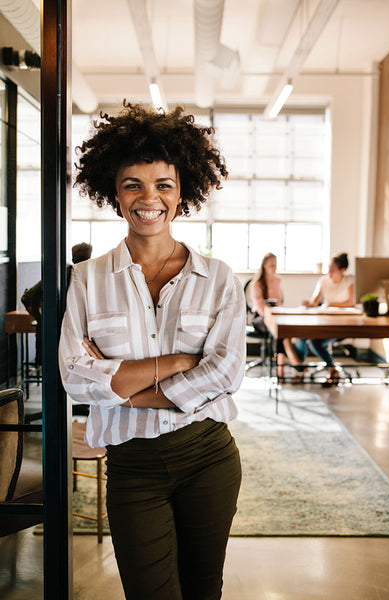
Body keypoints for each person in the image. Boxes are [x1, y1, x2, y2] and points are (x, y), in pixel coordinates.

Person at [58, 102, 246, 600]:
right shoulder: (85, 281)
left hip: (208, 455)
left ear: (182, 194)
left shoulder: (219, 278)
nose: (150, 198)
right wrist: (180, 363)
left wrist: (121, 388)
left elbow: (225, 373)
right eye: (133, 184)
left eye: (164, 184)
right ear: (114, 194)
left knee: (204, 590)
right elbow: (76, 379)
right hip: (132, 466)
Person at [21, 242, 92, 365]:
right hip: (70, 336)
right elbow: (28, 297)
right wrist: (42, 319)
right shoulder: (83, 275)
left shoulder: (63, 273)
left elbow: (28, 297)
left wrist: (41, 319)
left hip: (56, 334)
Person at [295, 252, 354, 386]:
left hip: (342, 324)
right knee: (306, 337)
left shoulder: (349, 281)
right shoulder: (324, 281)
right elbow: (314, 302)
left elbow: (351, 303)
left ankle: (331, 368)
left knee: (315, 343)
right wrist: (307, 304)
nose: (329, 272)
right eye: (329, 268)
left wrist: (332, 304)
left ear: (342, 270)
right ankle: (301, 369)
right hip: (325, 322)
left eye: (333, 270)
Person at [249, 252, 305, 380]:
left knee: (283, 330)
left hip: (275, 315)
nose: (274, 268)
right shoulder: (256, 284)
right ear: (264, 266)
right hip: (260, 318)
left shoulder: (277, 280)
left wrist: (277, 317)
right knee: (279, 331)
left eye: (275, 265)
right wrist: (272, 319)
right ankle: (291, 363)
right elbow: (260, 307)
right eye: (271, 265)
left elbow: (279, 302)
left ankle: (284, 370)